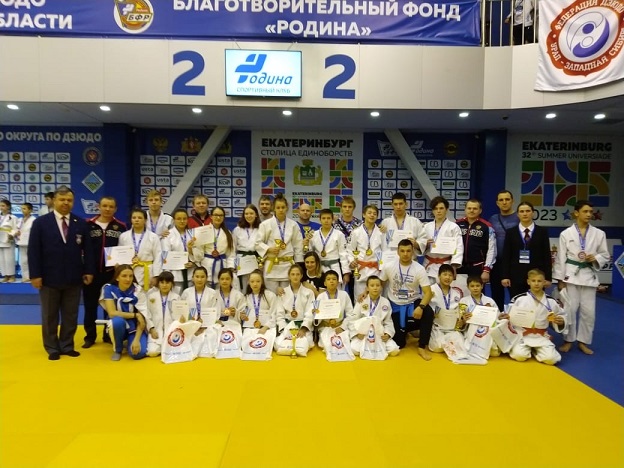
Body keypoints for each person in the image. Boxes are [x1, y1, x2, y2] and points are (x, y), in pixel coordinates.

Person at [28, 186, 95, 360]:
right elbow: (33, 251)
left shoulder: (80, 223)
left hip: (74, 277)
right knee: (50, 315)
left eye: (69, 200)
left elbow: (88, 249)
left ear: (73, 202)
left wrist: (89, 270)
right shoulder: (41, 223)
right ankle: (52, 347)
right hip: (48, 278)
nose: (66, 203)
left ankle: (66, 345)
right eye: (62, 199)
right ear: (54, 201)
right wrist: (35, 275)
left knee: (70, 315)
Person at [553, 200, 609, 355]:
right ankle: (568, 340)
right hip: (571, 276)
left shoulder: (599, 234)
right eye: (585, 211)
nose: (589, 214)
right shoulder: (566, 234)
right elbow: (561, 257)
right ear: (576, 213)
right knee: (569, 310)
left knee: (588, 312)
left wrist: (596, 258)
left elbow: (605, 255)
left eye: (591, 212)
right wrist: (560, 280)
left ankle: (583, 341)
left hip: (589, 276)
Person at [82, 196, 127, 348]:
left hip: (111, 273)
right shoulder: (88, 225)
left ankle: (109, 334)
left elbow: (123, 249)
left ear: (115, 209)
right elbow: (83, 249)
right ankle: (90, 336)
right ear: (99, 207)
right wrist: (86, 270)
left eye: (111, 206)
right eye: (105, 206)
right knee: (90, 306)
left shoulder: (120, 226)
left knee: (110, 306)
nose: (107, 209)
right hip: (91, 273)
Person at [379, 239, 434, 360]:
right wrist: (366, 293)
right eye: (402, 251)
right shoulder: (389, 266)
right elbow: (379, 284)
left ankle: (422, 346)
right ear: (397, 252)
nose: (405, 254)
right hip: (395, 305)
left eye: (408, 251)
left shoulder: (419, 269)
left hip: (412, 303)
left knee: (428, 312)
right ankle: (407, 331)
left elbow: (428, 293)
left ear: (413, 251)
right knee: (400, 343)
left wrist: (421, 307)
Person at [504, 269, 566, 365]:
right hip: (522, 335)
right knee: (519, 356)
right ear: (528, 282)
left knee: (551, 359)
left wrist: (561, 321)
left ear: (544, 282)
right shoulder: (519, 299)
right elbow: (507, 314)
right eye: (533, 281)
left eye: (539, 281)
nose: (536, 284)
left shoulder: (551, 301)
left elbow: (561, 314)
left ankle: (536, 351)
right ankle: (530, 350)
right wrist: (506, 317)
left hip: (541, 336)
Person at [501, 201, 552, 299]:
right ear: (517, 214)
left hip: (537, 277)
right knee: (517, 303)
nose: (525, 214)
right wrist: (505, 276)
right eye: (522, 211)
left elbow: (546, 256)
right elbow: (506, 255)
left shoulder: (542, 232)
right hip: (515, 276)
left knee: (536, 302)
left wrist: (548, 277)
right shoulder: (511, 232)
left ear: (533, 213)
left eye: (528, 211)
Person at [255, 194, 304, 292]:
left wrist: (298, 264)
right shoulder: (265, 224)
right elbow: (257, 243)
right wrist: (269, 249)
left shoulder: (293, 225)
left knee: (286, 295)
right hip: (271, 265)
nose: (281, 210)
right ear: (273, 208)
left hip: (288, 265)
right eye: (278, 207)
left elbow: (298, 245)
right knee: (271, 295)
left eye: (283, 207)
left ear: (287, 208)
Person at [99, 264, 148, 361]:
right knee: (117, 321)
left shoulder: (138, 290)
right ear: (117, 277)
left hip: (135, 326)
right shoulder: (109, 288)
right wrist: (135, 315)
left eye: (130, 276)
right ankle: (118, 349)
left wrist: (136, 340)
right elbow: (112, 313)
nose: (128, 279)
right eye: (124, 276)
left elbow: (142, 319)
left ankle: (129, 341)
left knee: (137, 354)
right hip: (119, 324)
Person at [348, 275, 400, 358]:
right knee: (353, 349)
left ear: (381, 287)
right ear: (367, 288)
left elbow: (388, 321)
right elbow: (353, 319)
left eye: (377, 285)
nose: (375, 288)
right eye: (372, 286)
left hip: (379, 334)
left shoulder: (385, 302)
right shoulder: (361, 301)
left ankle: (373, 348)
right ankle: (375, 348)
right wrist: (357, 334)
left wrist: (387, 334)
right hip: (364, 334)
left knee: (394, 350)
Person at [488, 190, 519, 314]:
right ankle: (498, 319)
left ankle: (516, 319)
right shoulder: (493, 219)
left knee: (515, 295)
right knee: (496, 294)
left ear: (512, 201)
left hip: (514, 263)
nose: (504, 202)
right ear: (497, 203)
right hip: (497, 263)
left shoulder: (519, 217)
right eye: (501, 200)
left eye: (507, 199)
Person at [274, 264, 315, 356]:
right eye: (292, 274)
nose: (295, 277)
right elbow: (279, 314)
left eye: (297, 274)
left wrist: (303, 329)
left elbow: (310, 312)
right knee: (278, 345)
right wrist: (285, 329)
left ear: (301, 275)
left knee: (305, 344)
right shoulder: (283, 292)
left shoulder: (309, 292)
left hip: (302, 327)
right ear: (289, 276)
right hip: (287, 326)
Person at [118, 208, 163, 291]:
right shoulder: (123, 236)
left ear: (145, 220)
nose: (137, 220)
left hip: (147, 271)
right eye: (134, 218)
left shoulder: (153, 237)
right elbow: (120, 256)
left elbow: (158, 257)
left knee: (148, 295)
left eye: (140, 218)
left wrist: (156, 275)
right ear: (131, 220)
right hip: (129, 271)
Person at [456, 199, 497, 288]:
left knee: (476, 293)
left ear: (480, 210)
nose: (471, 211)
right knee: (458, 292)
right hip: (459, 266)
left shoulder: (487, 226)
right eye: (469, 208)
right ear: (465, 209)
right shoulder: (457, 224)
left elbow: (492, 249)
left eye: (475, 208)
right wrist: (453, 265)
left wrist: (486, 269)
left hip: (477, 267)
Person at [422, 196, 463, 283]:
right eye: (436, 208)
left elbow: (459, 248)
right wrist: (425, 244)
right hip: (429, 263)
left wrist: (454, 266)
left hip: (445, 264)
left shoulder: (453, 227)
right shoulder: (426, 227)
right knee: (428, 290)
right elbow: (420, 246)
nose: (438, 211)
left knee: (444, 289)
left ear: (446, 209)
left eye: (441, 208)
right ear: (432, 210)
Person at [192, 206, 235, 289]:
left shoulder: (228, 233)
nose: (218, 217)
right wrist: (199, 266)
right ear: (211, 216)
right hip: (207, 265)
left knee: (221, 290)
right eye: (216, 215)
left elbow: (231, 253)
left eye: (221, 215)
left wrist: (230, 268)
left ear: (224, 217)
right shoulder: (203, 231)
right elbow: (199, 251)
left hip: (222, 265)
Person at [428, 264, 465, 354]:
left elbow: (459, 312)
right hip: (437, 326)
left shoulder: (456, 293)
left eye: (450, 275)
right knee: (437, 347)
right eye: (445, 274)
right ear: (439, 276)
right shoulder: (431, 290)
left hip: (451, 327)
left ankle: (448, 341)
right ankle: (447, 342)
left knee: (461, 345)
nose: (447, 277)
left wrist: (461, 320)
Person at [349, 204, 384, 298]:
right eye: (369, 213)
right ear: (364, 215)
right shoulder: (356, 232)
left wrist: (382, 267)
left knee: (376, 298)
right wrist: (351, 261)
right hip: (361, 270)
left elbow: (384, 251)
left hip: (376, 270)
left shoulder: (381, 232)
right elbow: (350, 250)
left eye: (374, 214)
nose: (372, 215)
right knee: (360, 299)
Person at [310, 208, 351, 288]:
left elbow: (343, 254)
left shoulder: (339, 234)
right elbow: (311, 253)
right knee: (319, 291)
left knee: (336, 291)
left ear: (332, 219)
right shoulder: (314, 234)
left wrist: (346, 273)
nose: (326, 220)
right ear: (320, 220)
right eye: (324, 218)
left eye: (328, 218)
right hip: (319, 268)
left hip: (334, 266)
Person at [380, 192, 428, 260]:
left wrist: (416, 244)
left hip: (410, 261)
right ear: (392, 205)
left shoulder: (415, 221)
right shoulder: (385, 222)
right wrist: (379, 231)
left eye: (401, 204)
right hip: (391, 260)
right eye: (395, 204)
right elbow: (380, 242)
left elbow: (423, 239)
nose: (398, 207)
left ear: (406, 204)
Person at [314, 270, 354, 351]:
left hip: (340, 326)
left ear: (338, 282)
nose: (331, 281)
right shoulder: (320, 297)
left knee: (343, 344)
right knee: (325, 345)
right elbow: (315, 317)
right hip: (325, 327)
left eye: (334, 279)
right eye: (328, 279)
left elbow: (350, 314)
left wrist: (342, 327)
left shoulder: (344, 295)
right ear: (325, 283)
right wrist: (315, 314)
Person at [332, 196, 362, 302]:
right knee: (342, 290)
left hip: (355, 261)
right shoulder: (334, 225)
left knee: (356, 289)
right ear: (341, 208)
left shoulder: (360, 224)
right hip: (340, 261)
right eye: (344, 206)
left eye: (350, 207)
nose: (347, 209)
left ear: (354, 208)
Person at [161, 208, 198, 293]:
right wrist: (167, 277)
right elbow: (166, 256)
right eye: (179, 219)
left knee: (190, 297)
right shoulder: (168, 235)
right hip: (175, 275)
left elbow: (198, 253)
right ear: (174, 220)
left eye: (184, 218)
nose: (182, 221)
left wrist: (193, 262)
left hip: (191, 273)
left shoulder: (193, 234)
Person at [145, 271, 180, 357]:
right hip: (156, 331)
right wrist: (152, 329)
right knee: (152, 352)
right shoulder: (151, 296)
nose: (164, 285)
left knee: (171, 352)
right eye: (162, 282)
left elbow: (178, 317)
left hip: (171, 331)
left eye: (167, 282)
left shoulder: (176, 297)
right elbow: (147, 315)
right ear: (158, 283)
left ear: (172, 284)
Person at [232, 204, 261, 291]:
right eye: (246, 214)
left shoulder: (261, 228)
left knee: (255, 285)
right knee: (243, 287)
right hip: (241, 260)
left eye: (251, 213)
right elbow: (233, 249)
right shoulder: (237, 230)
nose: (249, 216)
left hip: (256, 260)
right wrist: (234, 265)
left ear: (256, 215)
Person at [15, 203, 35, 282]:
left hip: (30, 243)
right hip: (21, 242)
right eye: (22, 209)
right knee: (23, 261)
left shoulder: (34, 220)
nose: (22, 210)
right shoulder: (20, 220)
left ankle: (32, 276)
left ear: (30, 210)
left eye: (24, 208)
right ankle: (25, 277)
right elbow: (17, 229)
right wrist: (16, 233)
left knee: (31, 261)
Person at [0, 199, 17, 282]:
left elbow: (16, 228)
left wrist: (12, 235)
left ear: (8, 207)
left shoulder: (13, 217)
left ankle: (12, 276)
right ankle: (5, 276)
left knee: (9, 259)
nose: (1, 207)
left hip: (8, 239)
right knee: (2, 259)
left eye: (3, 206)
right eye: (0, 206)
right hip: (0, 238)